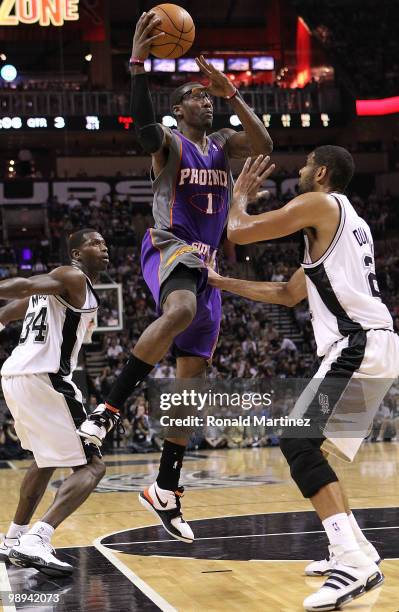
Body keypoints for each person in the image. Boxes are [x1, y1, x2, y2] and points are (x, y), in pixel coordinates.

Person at [77, 10, 273, 543]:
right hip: (169, 246)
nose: (203, 101)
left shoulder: (222, 146)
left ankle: (166, 489)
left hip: (207, 264)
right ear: (177, 109)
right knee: (180, 310)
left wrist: (232, 93)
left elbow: (264, 145)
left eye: (207, 98)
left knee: (192, 391)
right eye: (196, 97)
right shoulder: (169, 144)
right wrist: (137, 66)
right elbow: (142, 127)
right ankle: (108, 408)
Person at [207, 147, 399, 611]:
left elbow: (240, 230)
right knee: (310, 447)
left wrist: (239, 196)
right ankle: (354, 546)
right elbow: (288, 293)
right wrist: (219, 282)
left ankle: (352, 562)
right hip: (370, 344)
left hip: (356, 344)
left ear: (323, 172)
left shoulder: (320, 203)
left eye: (306, 163)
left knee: (297, 442)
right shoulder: (345, 222)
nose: (299, 170)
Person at [0, 229, 109, 576]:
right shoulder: (71, 275)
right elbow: (24, 288)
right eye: (95, 243)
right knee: (93, 468)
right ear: (76, 253)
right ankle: (38, 538)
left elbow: (11, 310)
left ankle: (14, 538)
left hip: (15, 377)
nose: (104, 248)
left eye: (105, 243)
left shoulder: (59, 290)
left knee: (45, 461)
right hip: (46, 378)